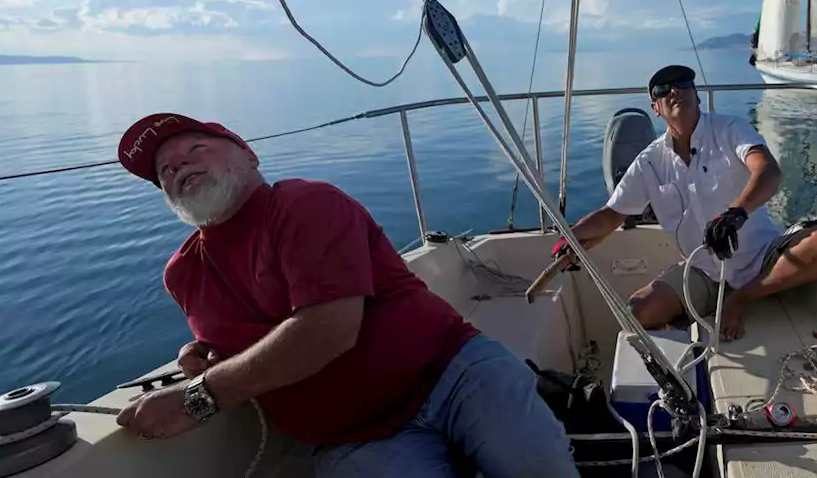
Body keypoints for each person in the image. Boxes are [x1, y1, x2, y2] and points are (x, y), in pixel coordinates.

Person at [113, 113, 577, 477]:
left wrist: (199, 397)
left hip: (451, 375)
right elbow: (253, 341)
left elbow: (327, 330)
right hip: (351, 437)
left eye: (196, 149)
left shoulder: (303, 204)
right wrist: (207, 353)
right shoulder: (183, 274)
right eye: (166, 170)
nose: (179, 167)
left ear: (248, 156)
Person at [564, 66, 817, 340]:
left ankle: (742, 297)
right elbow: (612, 215)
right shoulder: (649, 162)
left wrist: (736, 213)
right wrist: (572, 239)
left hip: (763, 258)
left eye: (683, 84)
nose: (675, 90)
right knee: (637, 313)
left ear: (697, 95)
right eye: (663, 89)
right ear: (655, 108)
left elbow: (767, 170)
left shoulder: (730, 129)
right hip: (703, 270)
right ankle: (705, 315)